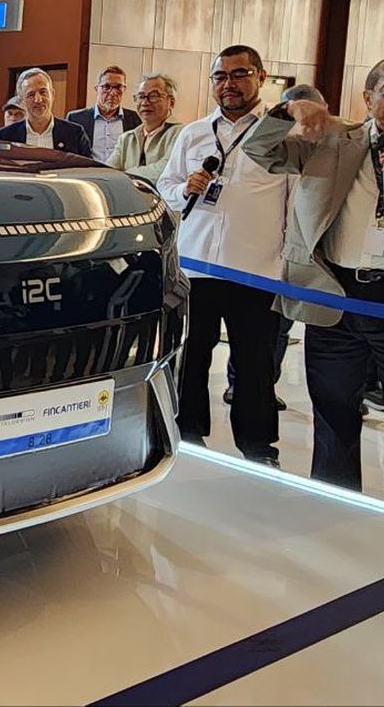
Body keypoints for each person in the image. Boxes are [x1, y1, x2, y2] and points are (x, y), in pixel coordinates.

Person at [243, 56, 384, 491]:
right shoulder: (331, 139)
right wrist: (287, 110)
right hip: (333, 295)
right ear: (368, 98)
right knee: (333, 411)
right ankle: (334, 497)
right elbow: (260, 150)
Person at [156, 44, 288, 466]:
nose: (229, 84)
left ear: (260, 77)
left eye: (239, 74)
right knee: (192, 355)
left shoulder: (281, 134)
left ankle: (258, 448)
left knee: (254, 364)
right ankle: (189, 435)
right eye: (220, 76)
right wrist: (184, 188)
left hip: (256, 270)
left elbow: (296, 200)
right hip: (197, 267)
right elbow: (165, 187)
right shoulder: (193, 133)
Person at [223, 84, 329, 410]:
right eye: (298, 112)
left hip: (312, 255)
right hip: (268, 255)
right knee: (265, 328)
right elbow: (258, 149)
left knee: (283, 330)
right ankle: (240, 383)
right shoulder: (280, 145)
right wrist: (284, 116)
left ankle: (267, 384)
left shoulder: (335, 143)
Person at [105, 72, 184, 183]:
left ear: (171, 102)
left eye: (154, 96)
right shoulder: (127, 138)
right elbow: (107, 172)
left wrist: (123, 175)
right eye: (141, 97)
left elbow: (166, 169)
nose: (145, 103)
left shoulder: (182, 133)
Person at [0, 68, 92, 156]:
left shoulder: (74, 134)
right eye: (31, 95)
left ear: (52, 95)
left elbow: (89, 167)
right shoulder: (6, 136)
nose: (38, 100)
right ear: (22, 101)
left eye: (43, 92)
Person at [67, 66, 141, 163]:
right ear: (96, 89)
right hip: (88, 171)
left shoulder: (134, 119)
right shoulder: (76, 119)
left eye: (118, 87)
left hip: (121, 172)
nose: (113, 92)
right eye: (107, 87)